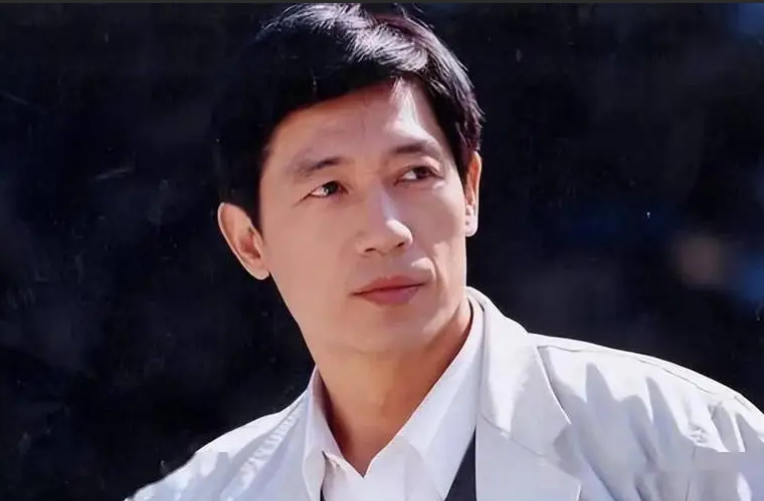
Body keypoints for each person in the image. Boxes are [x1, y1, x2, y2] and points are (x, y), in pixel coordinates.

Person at [128, 4, 764, 500]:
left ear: (470, 193)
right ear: (249, 240)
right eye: (329, 188)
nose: (387, 230)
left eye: (414, 174)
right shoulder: (202, 493)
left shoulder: (688, 450)